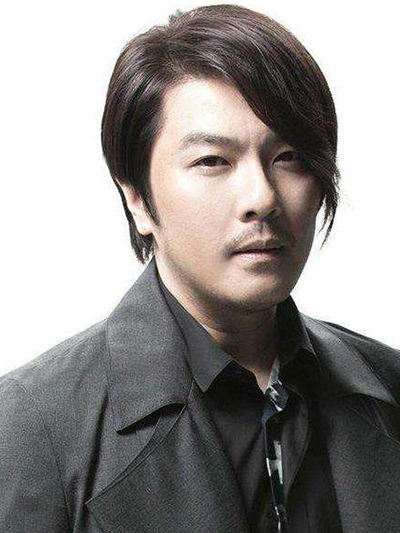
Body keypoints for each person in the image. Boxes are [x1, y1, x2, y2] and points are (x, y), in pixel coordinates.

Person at [1, 4, 399, 533]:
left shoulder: (389, 385)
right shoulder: (32, 424)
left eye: (289, 157)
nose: (261, 198)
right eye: (213, 161)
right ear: (137, 198)